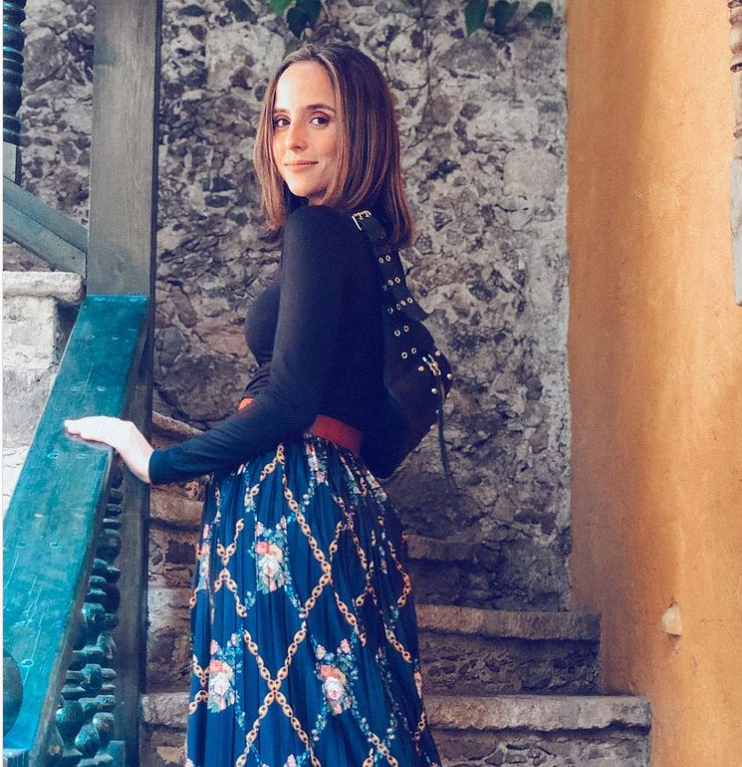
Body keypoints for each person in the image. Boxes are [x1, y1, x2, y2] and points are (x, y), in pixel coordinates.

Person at [65, 42, 443, 767]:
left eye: (319, 119)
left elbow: (290, 399)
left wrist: (159, 460)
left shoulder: (319, 228)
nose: (291, 141)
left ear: (362, 130)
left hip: (288, 503)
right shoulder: (367, 243)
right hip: (342, 499)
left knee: (282, 740)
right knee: (346, 732)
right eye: (279, 120)